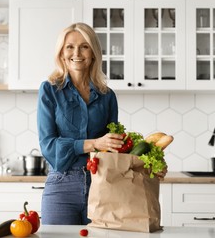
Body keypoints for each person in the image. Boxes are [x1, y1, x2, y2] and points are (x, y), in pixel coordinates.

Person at [37, 22, 166, 225]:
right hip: (62, 187)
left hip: (102, 184)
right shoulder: (50, 90)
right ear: (61, 53)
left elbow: (115, 149)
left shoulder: (107, 96)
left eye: (84, 46)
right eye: (70, 46)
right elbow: (48, 145)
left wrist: (147, 165)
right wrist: (94, 144)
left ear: (94, 53)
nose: (77, 52)